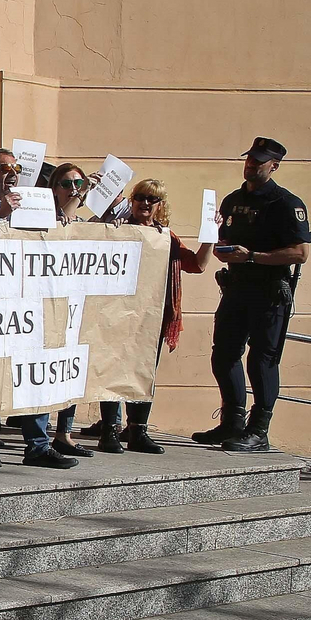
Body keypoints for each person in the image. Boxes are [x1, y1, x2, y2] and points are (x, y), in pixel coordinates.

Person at [0, 148, 75, 470]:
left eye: (16, 168)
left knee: (35, 372)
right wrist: (0, 216)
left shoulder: (35, 205)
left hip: (26, 307)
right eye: (4, 168)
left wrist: (60, 227)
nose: (12, 173)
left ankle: (38, 445)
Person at [194, 136, 310, 452]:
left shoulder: (285, 204)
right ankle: (232, 422)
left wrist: (252, 257)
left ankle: (258, 430)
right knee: (224, 354)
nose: (251, 165)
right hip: (236, 288)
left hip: (268, 291)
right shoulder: (233, 200)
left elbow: (300, 253)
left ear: (274, 166)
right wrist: (221, 246)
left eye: (259, 162)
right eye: (249, 159)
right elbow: (223, 239)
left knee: (262, 361)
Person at [97, 178, 212, 454]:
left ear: (161, 205)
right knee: (112, 370)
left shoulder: (166, 237)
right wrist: (112, 230)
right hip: (117, 315)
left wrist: (210, 235)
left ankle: (137, 431)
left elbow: (196, 265)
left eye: (152, 199)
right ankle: (108, 430)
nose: (145, 203)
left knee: (143, 373)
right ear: (132, 201)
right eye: (140, 197)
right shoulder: (117, 228)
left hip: (151, 319)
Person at [47, 162, 94, 457]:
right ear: (54, 189)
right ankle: (38, 437)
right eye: (66, 184)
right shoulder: (45, 217)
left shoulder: (85, 224)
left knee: (71, 370)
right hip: (48, 306)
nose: (73, 189)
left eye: (78, 184)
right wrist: (80, 195)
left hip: (75, 306)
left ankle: (64, 433)